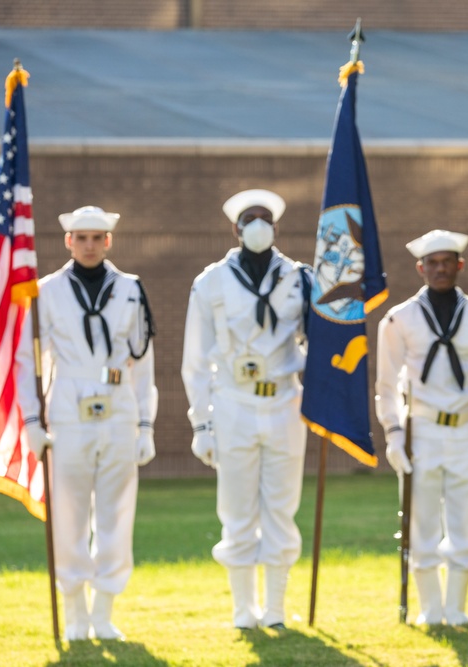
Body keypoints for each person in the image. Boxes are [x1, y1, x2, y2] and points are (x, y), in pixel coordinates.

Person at [16, 205, 157, 642]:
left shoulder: (131, 289)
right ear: (68, 242)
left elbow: (145, 361)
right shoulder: (46, 291)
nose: (90, 245)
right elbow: (26, 361)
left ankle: (104, 611)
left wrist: (147, 423)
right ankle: (75, 610)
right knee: (70, 511)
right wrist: (32, 422)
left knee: (117, 512)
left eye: (98, 238)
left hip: (118, 406)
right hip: (68, 409)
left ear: (109, 241)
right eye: (82, 238)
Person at [181, 189, 312, 630]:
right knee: (236, 509)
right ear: (235, 228)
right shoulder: (211, 281)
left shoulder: (301, 279)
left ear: (276, 227)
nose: (257, 225)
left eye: (265, 218)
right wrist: (201, 422)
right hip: (234, 402)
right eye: (249, 219)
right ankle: (243, 609)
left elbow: (323, 347)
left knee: (281, 506)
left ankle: (275, 608)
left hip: (284, 401)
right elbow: (195, 361)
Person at [375, 229, 468, 626]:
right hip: (421, 431)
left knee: (466, 519)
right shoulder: (399, 319)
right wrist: (393, 433)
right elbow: (386, 384)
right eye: (432, 263)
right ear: (420, 268)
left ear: (459, 266)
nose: (439, 269)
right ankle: (430, 610)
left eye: (446, 262)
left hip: (466, 429)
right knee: (420, 520)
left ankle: (456, 609)